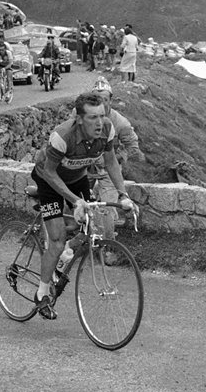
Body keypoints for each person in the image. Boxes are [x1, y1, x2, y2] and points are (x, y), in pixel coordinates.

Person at [30, 91, 135, 319]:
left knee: (90, 225)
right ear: (79, 119)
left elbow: (111, 162)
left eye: (102, 115)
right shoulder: (62, 136)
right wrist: (75, 200)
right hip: (49, 179)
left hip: (77, 176)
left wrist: (123, 195)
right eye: (92, 117)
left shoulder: (107, 130)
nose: (99, 122)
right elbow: (50, 172)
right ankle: (42, 293)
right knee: (56, 241)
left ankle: (64, 256)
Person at [88, 77, 145, 239]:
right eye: (97, 100)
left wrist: (116, 158)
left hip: (108, 171)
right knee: (77, 203)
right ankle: (78, 238)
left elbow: (133, 147)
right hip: (84, 168)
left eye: (105, 100)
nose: (101, 104)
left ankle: (107, 243)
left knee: (107, 208)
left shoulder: (121, 123)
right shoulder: (81, 115)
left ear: (111, 101)